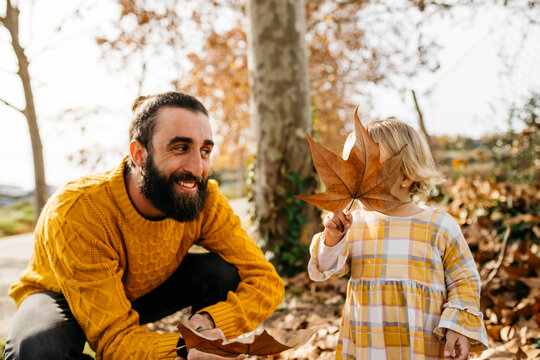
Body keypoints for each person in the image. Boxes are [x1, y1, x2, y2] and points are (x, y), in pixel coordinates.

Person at [4, 91, 284, 360]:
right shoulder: (79, 210)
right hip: (62, 295)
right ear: (139, 154)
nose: (198, 168)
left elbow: (266, 281)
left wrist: (211, 322)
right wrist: (184, 350)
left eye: (205, 150)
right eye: (180, 148)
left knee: (222, 273)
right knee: (37, 349)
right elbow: (114, 341)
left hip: (142, 292)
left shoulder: (205, 200)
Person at [308, 119, 488, 360]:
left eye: (366, 171)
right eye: (352, 172)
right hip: (367, 345)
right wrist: (332, 238)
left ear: (405, 176)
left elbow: (464, 281)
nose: (356, 180)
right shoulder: (355, 224)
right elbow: (325, 270)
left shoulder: (439, 225)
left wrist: (458, 325)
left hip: (422, 345)